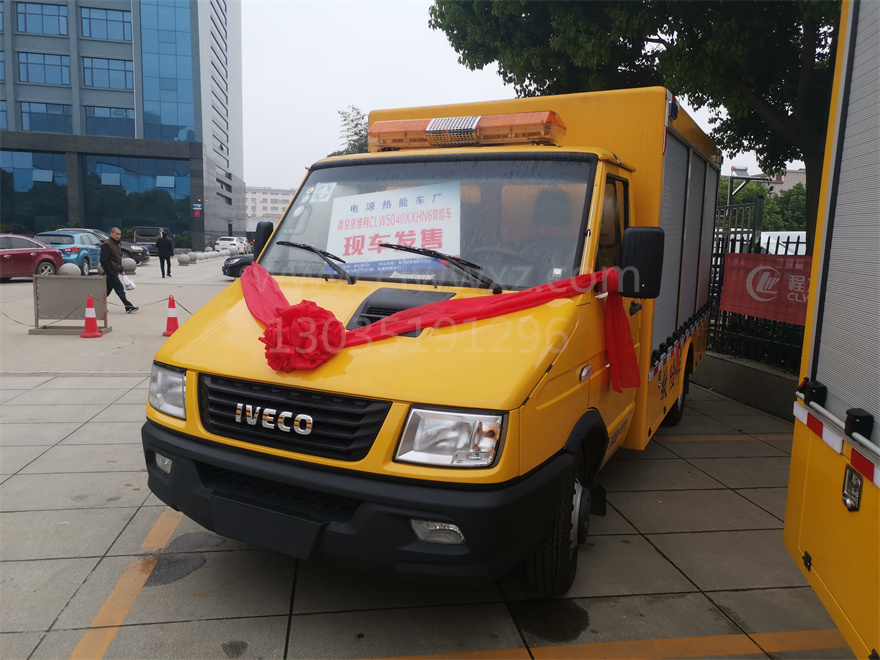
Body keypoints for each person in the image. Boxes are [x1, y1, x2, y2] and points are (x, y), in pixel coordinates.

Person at [100, 227, 138, 313]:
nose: (118, 236)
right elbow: (103, 259)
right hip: (111, 271)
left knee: (107, 290)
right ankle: (128, 306)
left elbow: (118, 258)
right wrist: (108, 270)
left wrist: (121, 269)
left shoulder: (117, 243)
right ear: (111, 234)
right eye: (116, 234)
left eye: (119, 234)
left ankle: (97, 305)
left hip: (115, 270)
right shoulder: (107, 244)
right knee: (119, 288)